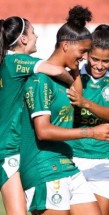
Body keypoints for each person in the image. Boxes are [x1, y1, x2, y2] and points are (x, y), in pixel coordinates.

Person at [20, 6, 109, 215]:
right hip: (44, 168)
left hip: (67, 164)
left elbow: (77, 96)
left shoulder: (64, 79)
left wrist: (72, 67)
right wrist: (92, 132)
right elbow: (43, 131)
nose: (84, 58)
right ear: (65, 45)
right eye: (82, 52)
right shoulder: (40, 80)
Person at [0, 16, 74, 215]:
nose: (36, 36)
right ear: (23, 39)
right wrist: (74, 83)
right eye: (33, 32)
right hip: (6, 150)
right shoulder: (15, 61)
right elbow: (56, 69)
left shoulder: (6, 62)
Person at [67, 24, 109, 215]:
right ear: (86, 54)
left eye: (106, 61)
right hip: (72, 159)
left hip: (103, 162)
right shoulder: (71, 76)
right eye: (95, 59)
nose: (99, 65)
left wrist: (84, 102)